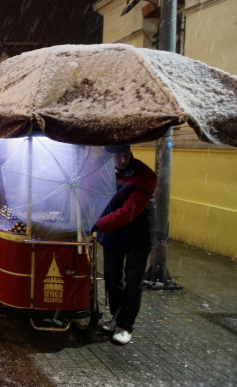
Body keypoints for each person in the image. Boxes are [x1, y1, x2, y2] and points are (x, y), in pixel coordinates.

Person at [93, 145, 157, 345]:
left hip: (139, 234)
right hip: (114, 232)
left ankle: (125, 325)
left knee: (133, 280)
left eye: (125, 155)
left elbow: (129, 211)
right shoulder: (103, 170)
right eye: (117, 156)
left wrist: (95, 224)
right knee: (112, 277)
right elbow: (89, 191)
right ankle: (115, 317)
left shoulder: (145, 175)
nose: (122, 160)